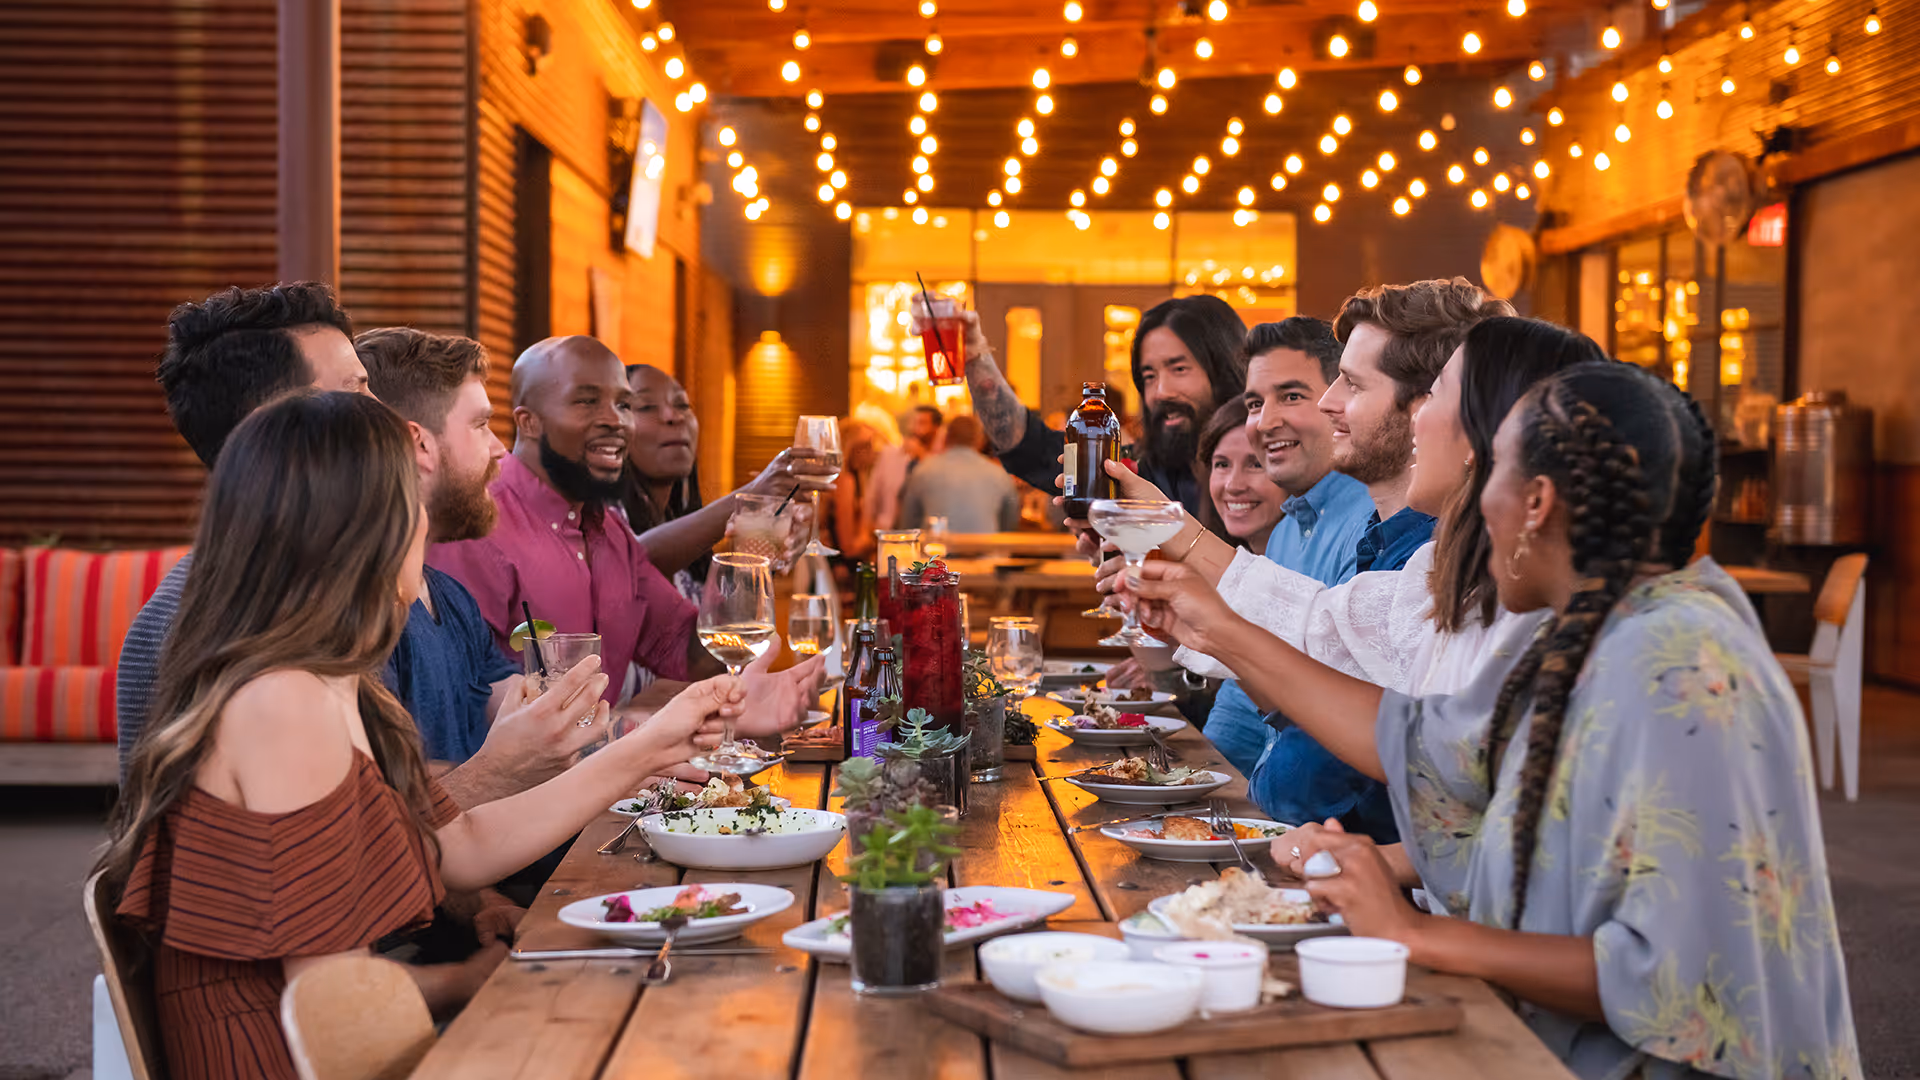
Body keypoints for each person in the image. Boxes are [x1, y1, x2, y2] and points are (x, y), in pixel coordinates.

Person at [1132, 363, 1860, 1080]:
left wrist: (1414, 932)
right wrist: (1215, 628)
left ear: (1536, 501)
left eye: (1492, 475)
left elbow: (1671, 979)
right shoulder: (1597, 627)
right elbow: (1423, 744)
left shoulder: (1681, 668)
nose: (1477, 507)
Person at [98, 390, 745, 1080]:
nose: (425, 532)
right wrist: (474, 981)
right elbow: (337, 1014)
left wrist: (649, 746)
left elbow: (457, 848)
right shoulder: (282, 703)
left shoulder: (333, 680)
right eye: (414, 506)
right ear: (362, 531)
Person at [428, 335, 823, 716]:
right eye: (586, 401)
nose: (615, 421)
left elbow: (695, 656)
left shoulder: (609, 532)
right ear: (528, 423)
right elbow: (459, 707)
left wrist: (753, 548)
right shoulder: (477, 523)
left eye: (623, 404)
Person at [117, 282, 370, 781]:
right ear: (272, 426)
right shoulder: (203, 627)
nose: (391, 416)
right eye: (356, 389)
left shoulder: (327, 580)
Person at [962, 295, 1248, 519]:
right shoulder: (1141, 471)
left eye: (1179, 369)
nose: (1160, 392)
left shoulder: (1270, 473)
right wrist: (975, 357)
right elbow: (1030, 446)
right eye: (1149, 376)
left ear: (1224, 371)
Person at [617, 363, 834, 599]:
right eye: (647, 406)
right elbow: (632, 561)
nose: (674, 416)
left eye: (683, 405)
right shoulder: (599, 517)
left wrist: (763, 544)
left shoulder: (678, 529)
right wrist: (750, 495)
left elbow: (727, 624)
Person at [897, 414, 1022, 533]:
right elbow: (1009, 526)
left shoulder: (923, 471)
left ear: (946, 439)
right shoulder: (999, 475)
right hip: (986, 552)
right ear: (980, 441)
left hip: (938, 552)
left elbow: (909, 523)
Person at [867, 403, 943, 531]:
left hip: (926, 533)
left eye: (922, 423)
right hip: (888, 530)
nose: (914, 428)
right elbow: (872, 495)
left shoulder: (941, 459)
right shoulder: (890, 455)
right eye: (912, 422)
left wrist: (922, 456)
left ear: (936, 428)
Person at [827, 417, 880, 563]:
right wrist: (875, 540)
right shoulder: (845, 482)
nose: (874, 451)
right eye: (868, 445)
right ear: (853, 450)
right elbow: (849, 547)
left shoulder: (856, 478)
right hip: (841, 569)